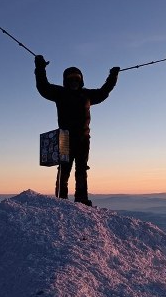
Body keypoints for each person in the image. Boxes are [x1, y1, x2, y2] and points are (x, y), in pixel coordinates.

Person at [34, 55, 119, 206]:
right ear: (65, 80)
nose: (74, 81)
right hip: (65, 137)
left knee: (81, 169)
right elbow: (43, 86)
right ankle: (62, 199)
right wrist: (40, 68)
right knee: (64, 170)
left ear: (81, 80)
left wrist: (112, 76)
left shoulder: (87, 95)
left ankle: (81, 199)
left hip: (82, 138)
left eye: (76, 79)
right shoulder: (60, 93)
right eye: (71, 79)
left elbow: (104, 91)